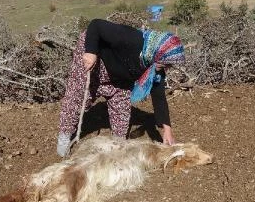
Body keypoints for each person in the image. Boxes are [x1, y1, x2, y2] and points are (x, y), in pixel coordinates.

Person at [57, 18, 185, 157]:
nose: (167, 68)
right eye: (167, 64)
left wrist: (167, 129)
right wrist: (91, 52)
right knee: (79, 96)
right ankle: (65, 135)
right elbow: (96, 25)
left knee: (121, 106)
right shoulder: (131, 39)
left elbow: (159, 95)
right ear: (158, 53)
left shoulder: (154, 65)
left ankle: (117, 144)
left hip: (121, 72)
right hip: (96, 57)